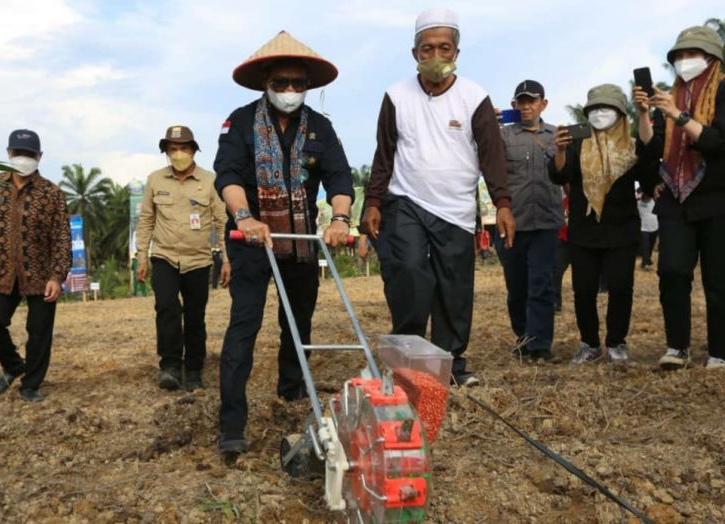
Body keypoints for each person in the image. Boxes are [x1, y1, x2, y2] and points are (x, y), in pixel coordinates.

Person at [213, 31, 353, 454]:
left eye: (298, 84)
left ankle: (291, 387)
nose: (290, 91)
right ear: (265, 84)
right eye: (281, 84)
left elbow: (340, 178)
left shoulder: (321, 128)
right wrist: (245, 216)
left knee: (298, 320)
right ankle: (232, 423)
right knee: (245, 324)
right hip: (250, 238)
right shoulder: (240, 122)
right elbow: (229, 175)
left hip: (301, 239)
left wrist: (341, 219)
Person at [362, 8, 515, 387]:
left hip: (456, 208)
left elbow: (490, 155)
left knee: (454, 286)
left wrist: (503, 203)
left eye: (443, 48)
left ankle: (451, 363)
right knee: (409, 272)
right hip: (405, 201)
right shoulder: (396, 96)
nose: (435, 56)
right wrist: (373, 201)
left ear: (456, 53)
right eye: (426, 49)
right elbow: (384, 154)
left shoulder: (474, 97)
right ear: (415, 54)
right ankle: (407, 360)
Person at [633, 26, 725, 370]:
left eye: (692, 54)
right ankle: (677, 347)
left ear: (711, 58)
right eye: (679, 56)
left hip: (717, 196)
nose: (684, 61)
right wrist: (645, 113)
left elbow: (717, 143)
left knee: (718, 280)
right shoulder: (669, 99)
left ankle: (719, 350)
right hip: (676, 198)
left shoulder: (722, 90)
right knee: (671, 272)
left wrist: (678, 115)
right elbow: (651, 147)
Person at [550, 85, 657, 364]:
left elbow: (648, 173)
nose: (599, 114)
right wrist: (560, 150)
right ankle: (589, 343)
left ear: (621, 114)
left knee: (621, 288)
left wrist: (645, 114)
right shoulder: (577, 145)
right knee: (583, 290)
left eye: (606, 108)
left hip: (622, 230)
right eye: (594, 109)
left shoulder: (631, 145)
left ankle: (616, 343)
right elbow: (560, 176)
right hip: (583, 231)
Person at [0, 129, 71, 403]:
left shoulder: (52, 194)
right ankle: (13, 366)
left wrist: (57, 276)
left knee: (39, 332)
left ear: (40, 156)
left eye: (30, 154)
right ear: (9, 154)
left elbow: (61, 238)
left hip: (41, 274)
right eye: (19, 153)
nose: (23, 158)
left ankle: (30, 385)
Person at [135, 126, 231, 392]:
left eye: (184, 149)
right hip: (164, 256)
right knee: (166, 308)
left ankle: (194, 369)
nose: (178, 154)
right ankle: (170, 366)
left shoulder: (210, 181)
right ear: (166, 152)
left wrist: (227, 259)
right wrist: (142, 256)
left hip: (198, 260)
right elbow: (146, 220)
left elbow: (222, 221)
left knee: (194, 316)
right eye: (173, 149)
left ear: (193, 150)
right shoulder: (155, 180)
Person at [498, 80, 563, 361]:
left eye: (531, 101)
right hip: (513, 222)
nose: (525, 107)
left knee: (542, 283)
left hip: (547, 221)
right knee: (517, 287)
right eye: (520, 102)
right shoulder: (502, 136)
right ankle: (524, 335)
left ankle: (539, 344)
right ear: (514, 105)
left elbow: (566, 175)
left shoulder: (557, 135)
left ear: (543, 104)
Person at [553, 189, 570, 313]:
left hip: (579, 241)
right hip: (562, 240)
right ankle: (556, 303)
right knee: (556, 273)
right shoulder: (560, 202)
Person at [636, 189, 658, 269]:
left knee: (651, 245)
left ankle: (647, 259)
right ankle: (645, 263)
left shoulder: (654, 201)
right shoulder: (638, 203)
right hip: (643, 228)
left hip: (654, 227)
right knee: (646, 246)